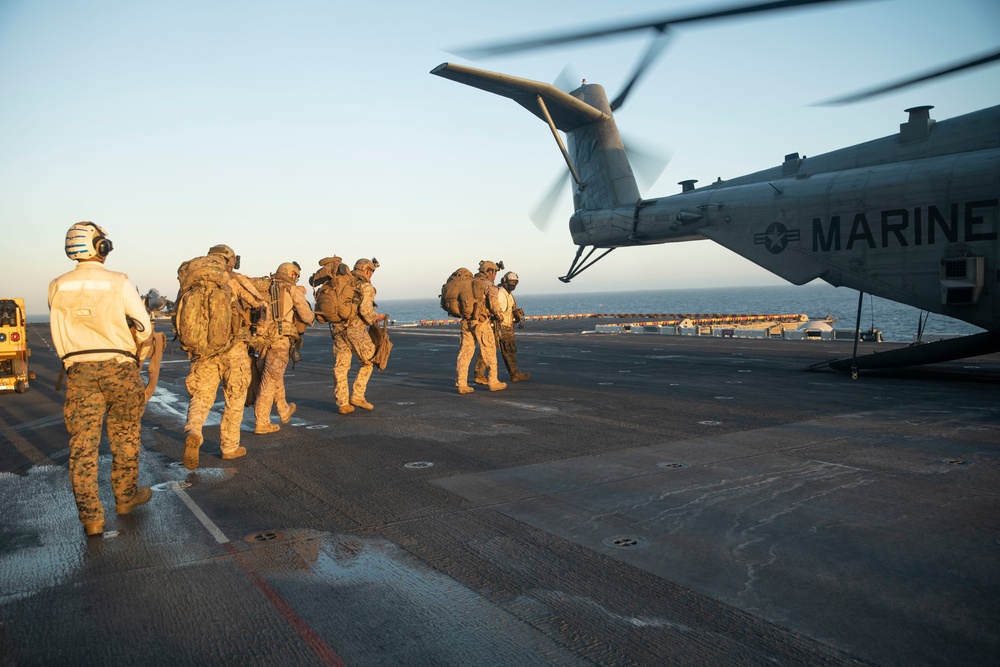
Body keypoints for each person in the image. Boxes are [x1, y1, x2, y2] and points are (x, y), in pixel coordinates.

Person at [49, 222, 154, 537]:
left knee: (82, 444)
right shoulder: (118, 282)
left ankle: (91, 517)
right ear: (101, 247)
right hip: (118, 367)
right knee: (124, 434)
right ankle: (124, 497)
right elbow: (144, 327)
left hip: (78, 371)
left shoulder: (57, 285)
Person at [182, 244, 264, 469]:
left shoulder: (191, 279)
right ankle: (229, 447)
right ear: (228, 260)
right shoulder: (232, 279)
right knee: (235, 396)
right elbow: (257, 302)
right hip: (233, 348)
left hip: (202, 350)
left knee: (201, 396)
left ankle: (194, 431)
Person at [254, 262, 315, 433]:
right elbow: (306, 314)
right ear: (291, 274)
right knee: (270, 380)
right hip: (280, 341)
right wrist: (311, 318)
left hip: (262, 341)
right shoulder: (290, 289)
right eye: (295, 275)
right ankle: (262, 421)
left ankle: (283, 409)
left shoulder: (264, 287)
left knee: (274, 375)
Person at [332, 258, 386, 414]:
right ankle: (357, 395)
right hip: (355, 330)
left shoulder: (344, 283)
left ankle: (342, 403)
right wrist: (376, 317)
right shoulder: (365, 286)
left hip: (337, 329)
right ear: (367, 271)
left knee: (341, 367)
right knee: (369, 361)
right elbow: (365, 310)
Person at [456, 260, 506, 394]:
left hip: (466, 322)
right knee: (489, 350)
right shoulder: (489, 285)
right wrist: (499, 316)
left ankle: (461, 383)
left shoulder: (469, 283)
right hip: (481, 322)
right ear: (489, 272)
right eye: (494, 272)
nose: (495, 276)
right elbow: (494, 304)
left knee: (465, 353)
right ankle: (493, 381)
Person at [476, 271, 530, 383]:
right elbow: (495, 309)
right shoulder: (501, 293)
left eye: (515, 282)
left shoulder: (508, 294)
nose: (513, 284)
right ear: (505, 281)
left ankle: (514, 374)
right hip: (500, 326)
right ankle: (480, 374)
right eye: (511, 282)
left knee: (506, 350)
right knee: (492, 350)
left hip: (505, 326)